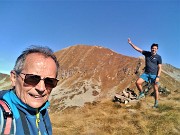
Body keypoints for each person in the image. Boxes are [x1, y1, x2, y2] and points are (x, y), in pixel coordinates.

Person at [0, 46, 59, 135]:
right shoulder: (2, 114)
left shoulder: (42, 112)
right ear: (14, 78)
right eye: (32, 78)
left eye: (50, 81)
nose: (41, 88)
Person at [128, 38, 162, 108]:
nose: (154, 49)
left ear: (157, 49)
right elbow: (138, 49)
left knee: (155, 89)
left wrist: (158, 77)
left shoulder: (159, 57)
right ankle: (142, 93)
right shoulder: (147, 54)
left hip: (154, 75)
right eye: (153, 48)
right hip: (146, 74)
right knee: (138, 82)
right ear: (151, 48)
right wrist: (131, 43)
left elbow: (160, 68)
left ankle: (156, 103)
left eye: (155, 48)